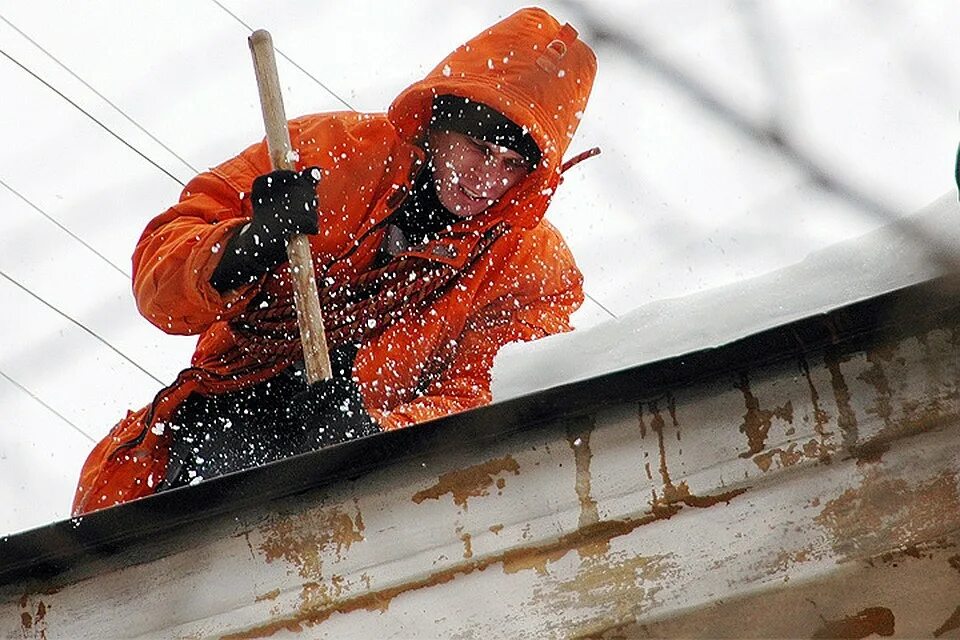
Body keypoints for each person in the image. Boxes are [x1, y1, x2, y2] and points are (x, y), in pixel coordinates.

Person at [72, 6, 597, 515]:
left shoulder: (534, 272)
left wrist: (371, 434)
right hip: (221, 424)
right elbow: (158, 277)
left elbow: (490, 395)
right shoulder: (323, 152)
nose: (487, 179)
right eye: (478, 148)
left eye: (511, 165)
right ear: (439, 122)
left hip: (385, 487)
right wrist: (246, 245)